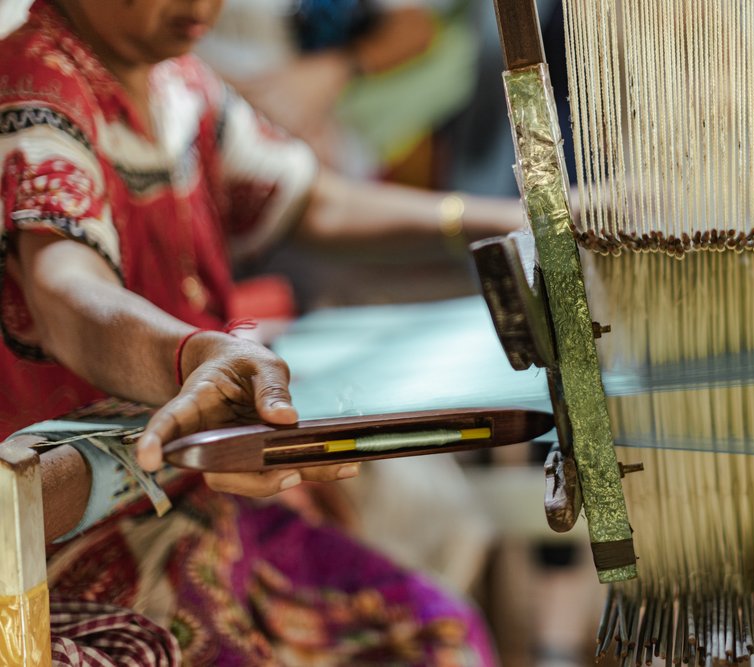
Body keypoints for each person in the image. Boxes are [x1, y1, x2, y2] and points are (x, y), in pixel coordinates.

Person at [0, 0, 521, 663]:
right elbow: (68, 291)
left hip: (199, 507)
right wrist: (192, 356)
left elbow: (309, 199)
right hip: (77, 536)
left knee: (438, 634)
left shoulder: (179, 86)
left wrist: (513, 220)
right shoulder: (33, 94)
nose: (201, 6)